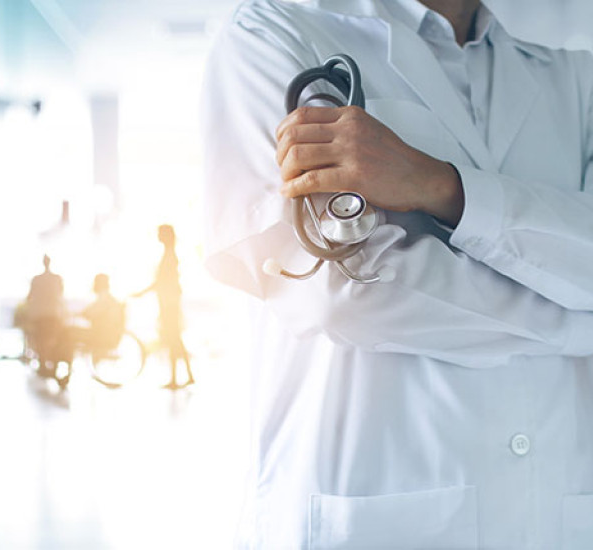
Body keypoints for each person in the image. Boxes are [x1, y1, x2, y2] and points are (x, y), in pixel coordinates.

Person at [201, 0, 593, 548]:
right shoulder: (274, 31)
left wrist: (442, 187)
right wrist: (579, 323)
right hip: (373, 508)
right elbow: (337, 293)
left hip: (553, 511)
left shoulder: (576, 70)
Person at [133, 225, 194, 389]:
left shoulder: (169, 257)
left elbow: (161, 282)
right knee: (176, 341)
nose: (157, 236)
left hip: (169, 306)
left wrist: (141, 293)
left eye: (160, 233)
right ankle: (185, 376)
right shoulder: (169, 255)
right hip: (169, 305)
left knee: (173, 340)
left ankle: (177, 378)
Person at [15, 254, 67, 374]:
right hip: (53, 314)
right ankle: (52, 363)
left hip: (39, 315)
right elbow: (61, 295)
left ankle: (43, 364)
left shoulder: (36, 279)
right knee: (52, 340)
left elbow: (30, 297)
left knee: (40, 340)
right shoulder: (57, 278)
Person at [73, 273, 126, 353]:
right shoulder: (110, 298)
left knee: (69, 333)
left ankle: (65, 360)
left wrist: (81, 314)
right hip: (110, 335)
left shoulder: (104, 298)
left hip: (101, 336)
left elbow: (92, 312)